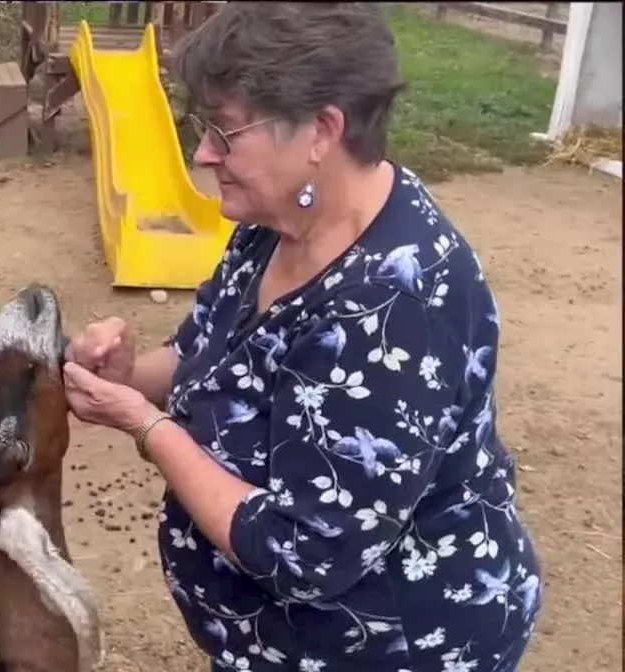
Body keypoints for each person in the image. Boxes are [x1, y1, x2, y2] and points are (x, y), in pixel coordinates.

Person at [61, 4, 542, 671]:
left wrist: (147, 428)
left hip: (390, 647)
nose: (203, 154)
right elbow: (207, 355)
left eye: (225, 133)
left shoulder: (394, 307)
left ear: (321, 131)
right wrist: (127, 375)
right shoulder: (275, 220)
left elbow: (307, 554)